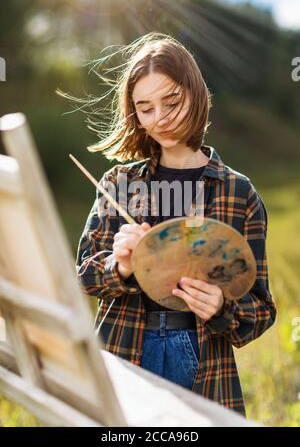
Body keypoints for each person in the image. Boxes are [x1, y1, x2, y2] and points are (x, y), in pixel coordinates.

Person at [74, 32, 277, 417]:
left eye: (172, 101)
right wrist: (119, 265)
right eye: (145, 108)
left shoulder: (238, 193)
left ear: (195, 93)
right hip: (124, 350)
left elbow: (261, 311)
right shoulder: (120, 184)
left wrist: (222, 306)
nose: (160, 119)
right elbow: (82, 276)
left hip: (202, 360)